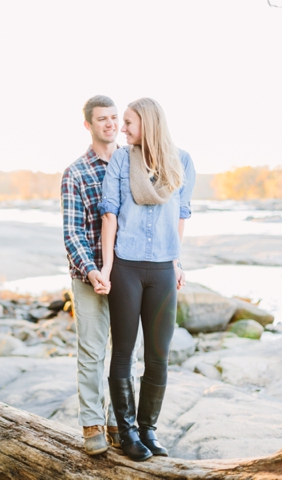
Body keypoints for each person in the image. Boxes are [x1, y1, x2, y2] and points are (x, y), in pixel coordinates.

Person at [98, 97, 196, 461]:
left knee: (159, 355)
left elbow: (181, 215)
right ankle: (127, 433)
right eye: (121, 122)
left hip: (162, 271)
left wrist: (176, 262)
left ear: (149, 124)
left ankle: (148, 430)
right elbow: (110, 213)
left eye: (128, 122)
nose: (122, 129)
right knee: (123, 351)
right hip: (126, 267)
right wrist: (108, 267)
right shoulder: (123, 159)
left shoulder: (182, 161)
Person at [62, 95, 124, 455]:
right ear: (88, 124)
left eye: (115, 117)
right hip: (88, 279)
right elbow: (72, 233)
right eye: (102, 119)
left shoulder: (131, 164)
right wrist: (93, 271)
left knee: (126, 352)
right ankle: (92, 426)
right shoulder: (75, 173)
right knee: (91, 352)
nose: (110, 124)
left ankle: (118, 422)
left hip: (128, 275)